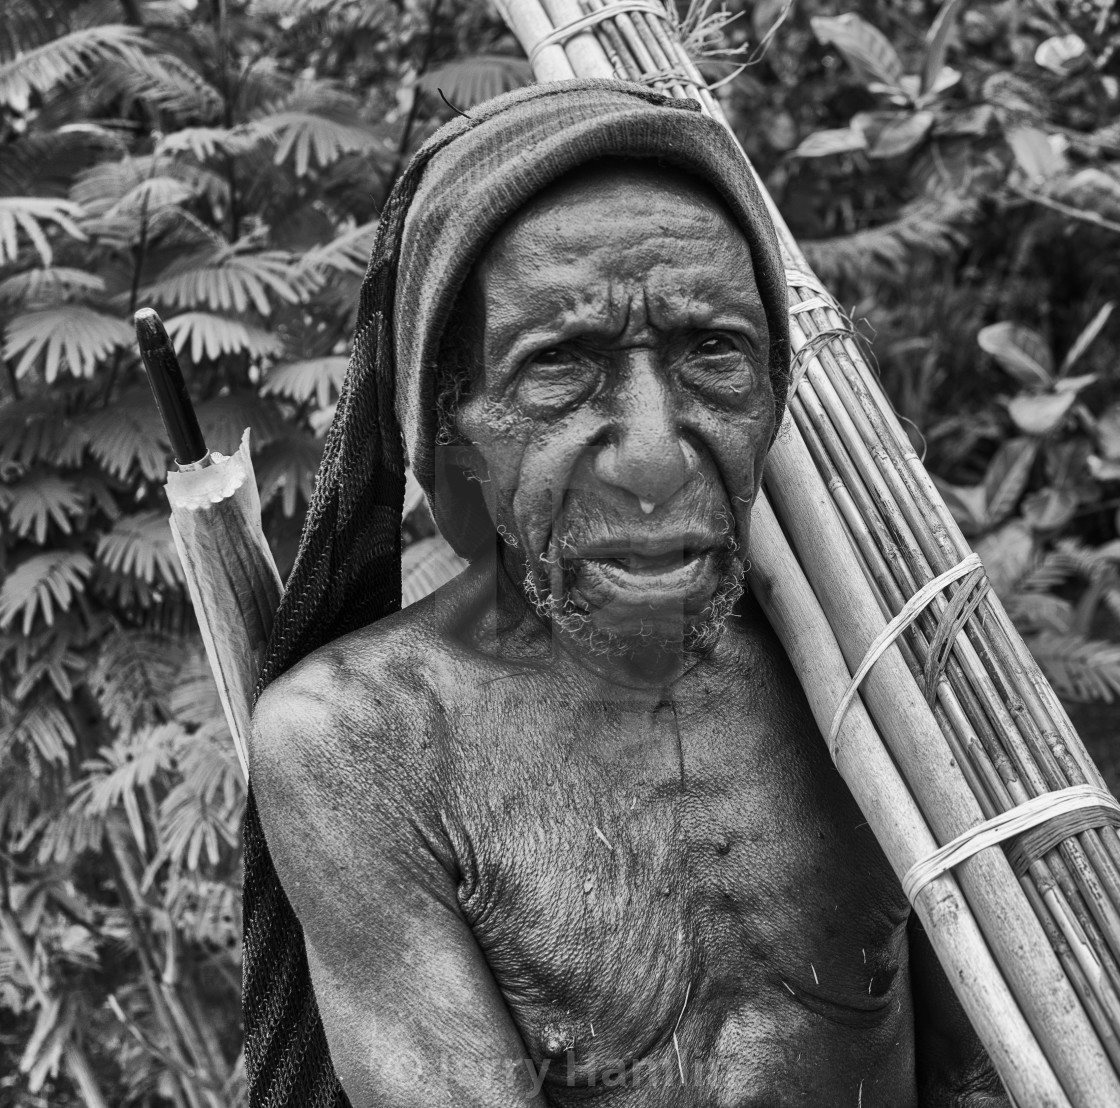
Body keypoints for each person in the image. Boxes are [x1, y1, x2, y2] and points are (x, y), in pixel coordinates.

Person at [247, 80, 1008, 1107]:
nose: (653, 459)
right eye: (560, 366)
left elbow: (992, 1058)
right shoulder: (367, 746)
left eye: (713, 354)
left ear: (778, 387)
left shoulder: (878, 661)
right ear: (450, 419)